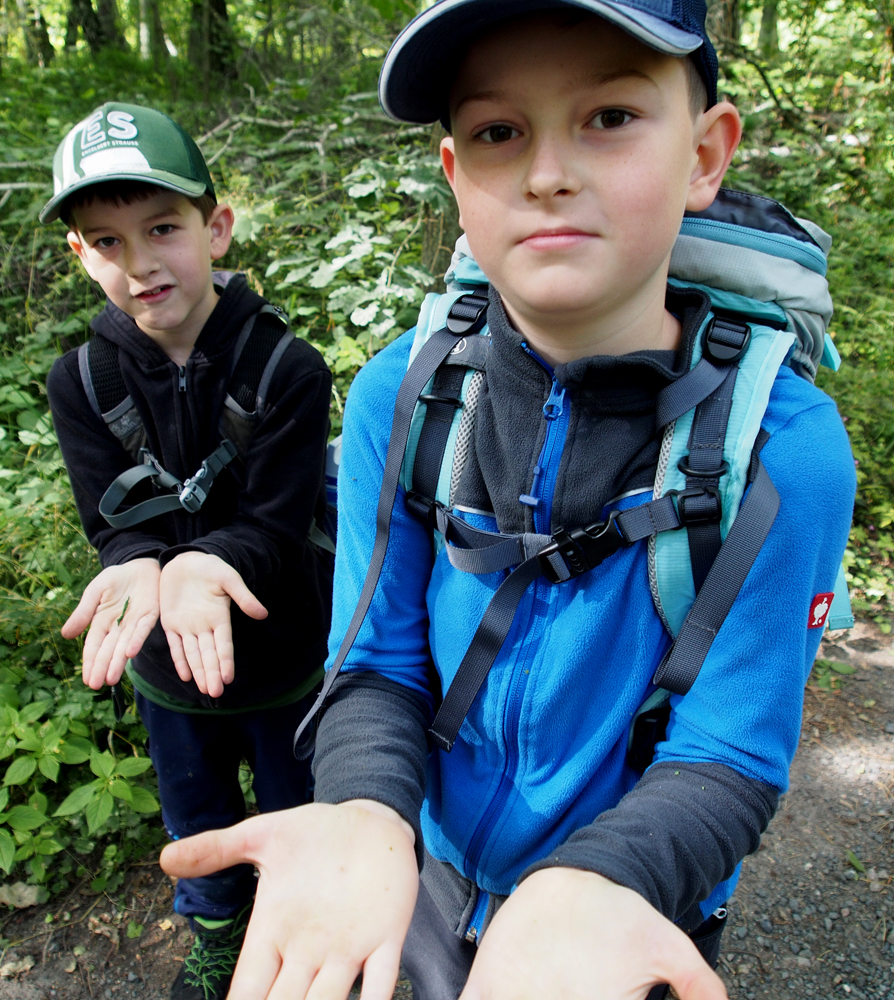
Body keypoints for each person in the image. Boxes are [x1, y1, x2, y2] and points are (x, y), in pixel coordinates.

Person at [162, 3, 856, 999]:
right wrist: (363, 809)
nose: (545, 173)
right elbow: (375, 663)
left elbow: (732, 748)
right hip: (429, 877)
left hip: (626, 909)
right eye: (498, 131)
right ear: (456, 178)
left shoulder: (783, 453)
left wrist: (594, 882)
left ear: (707, 152)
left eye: (610, 116)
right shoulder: (399, 399)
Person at [42, 102, 333, 1000]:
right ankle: (216, 935)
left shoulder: (288, 368)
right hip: (166, 668)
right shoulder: (79, 381)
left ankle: (301, 938)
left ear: (215, 227)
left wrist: (209, 565)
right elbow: (115, 525)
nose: (139, 262)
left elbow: (279, 526)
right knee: (194, 811)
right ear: (80, 256)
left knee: (296, 812)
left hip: (283, 655)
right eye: (106, 240)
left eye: (162, 228)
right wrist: (136, 566)